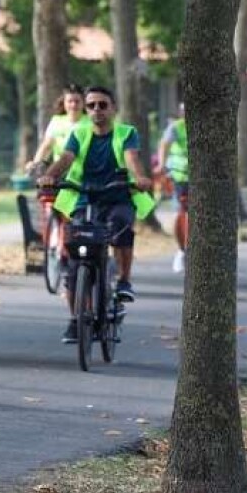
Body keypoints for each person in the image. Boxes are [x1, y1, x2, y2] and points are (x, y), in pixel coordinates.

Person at [37, 85, 154, 343]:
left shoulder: (126, 133)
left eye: (102, 105)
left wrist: (140, 177)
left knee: (123, 228)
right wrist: (50, 175)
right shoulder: (78, 133)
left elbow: (131, 158)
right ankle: (76, 320)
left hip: (117, 196)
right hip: (85, 197)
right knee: (74, 262)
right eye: (91, 106)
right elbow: (66, 158)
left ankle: (123, 281)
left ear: (113, 108)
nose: (96, 110)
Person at [156, 104, 189, 273]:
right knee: (181, 212)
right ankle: (181, 250)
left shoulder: (206, 127)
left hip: (200, 177)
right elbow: (164, 144)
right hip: (180, 175)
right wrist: (162, 163)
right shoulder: (176, 127)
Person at [28, 84, 85, 173]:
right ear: (64, 103)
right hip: (61, 174)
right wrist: (35, 163)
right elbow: (46, 146)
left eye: (77, 101)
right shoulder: (56, 121)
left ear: (83, 103)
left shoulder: (92, 122)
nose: (73, 105)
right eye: (70, 101)